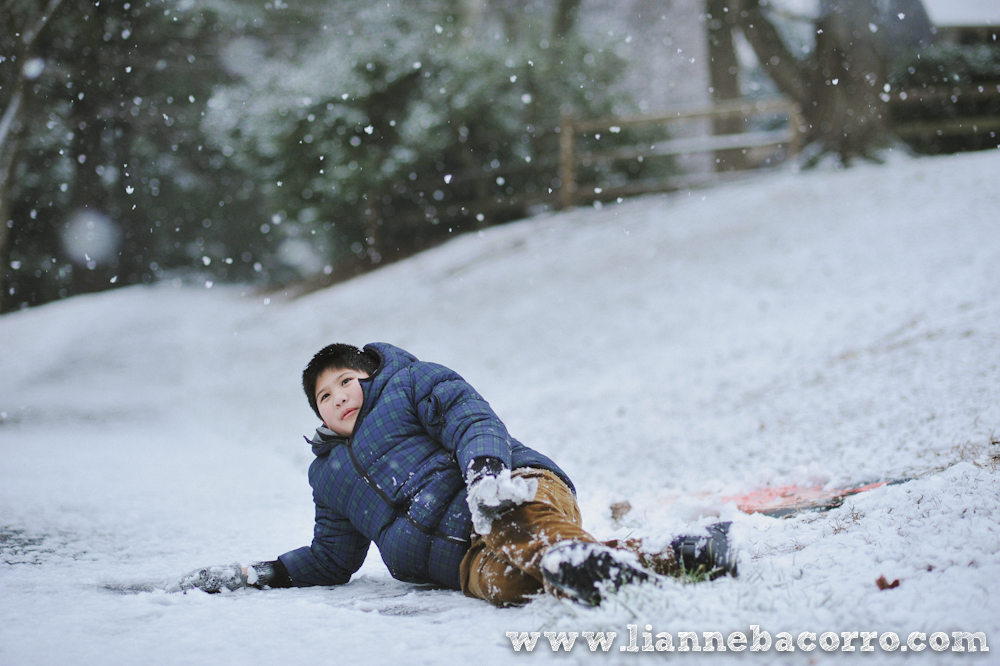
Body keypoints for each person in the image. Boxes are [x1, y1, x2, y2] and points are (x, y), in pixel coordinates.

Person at [174, 343, 736, 606]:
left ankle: (572, 559)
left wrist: (486, 473)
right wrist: (262, 573)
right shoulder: (329, 478)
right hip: (460, 561)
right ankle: (681, 554)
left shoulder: (411, 385)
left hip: (510, 487)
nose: (339, 396)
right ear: (317, 415)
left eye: (346, 380)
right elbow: (330, 557)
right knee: (511, 585)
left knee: (514, 528)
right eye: (324, 396)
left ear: (370, 375)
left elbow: (470, 419)